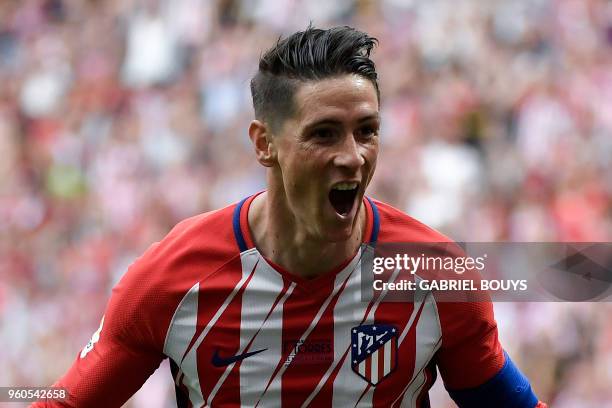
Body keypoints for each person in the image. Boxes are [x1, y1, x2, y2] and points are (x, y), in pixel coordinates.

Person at [35, 26, 546, 407]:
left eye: (367, 130)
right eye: (324, 133)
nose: (353, 156)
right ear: (265, 144)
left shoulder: (434, 273)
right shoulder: (172, 281)